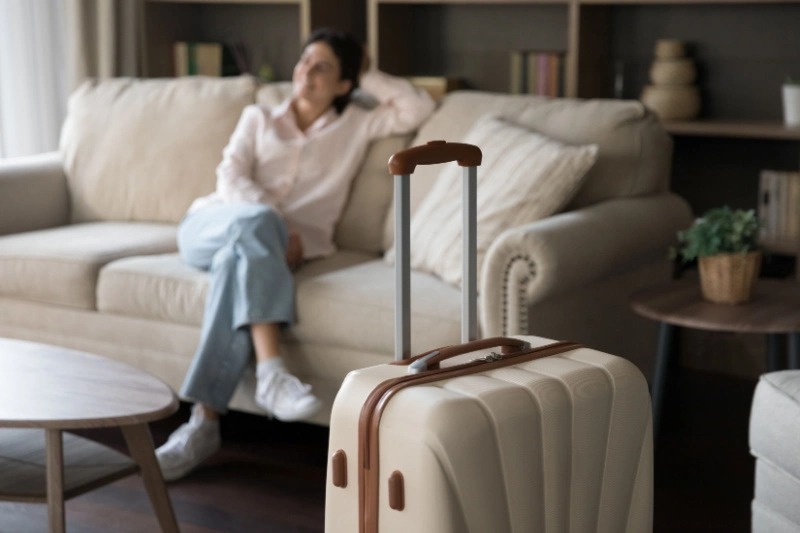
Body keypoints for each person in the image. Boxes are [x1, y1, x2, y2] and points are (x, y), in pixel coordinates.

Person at [155, 28, 436, 481]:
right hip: (211, 226)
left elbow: (418, 108)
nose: (307, 71)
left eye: (322, 66)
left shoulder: (358, 123)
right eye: (304, 61)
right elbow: (230, 175)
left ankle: (203, 422)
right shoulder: (258, 117)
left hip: (257, 252)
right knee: (256, 229)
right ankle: (271, 371)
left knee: (237, 264)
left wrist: (368, 70)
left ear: (346, 84)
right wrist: (275, 223)